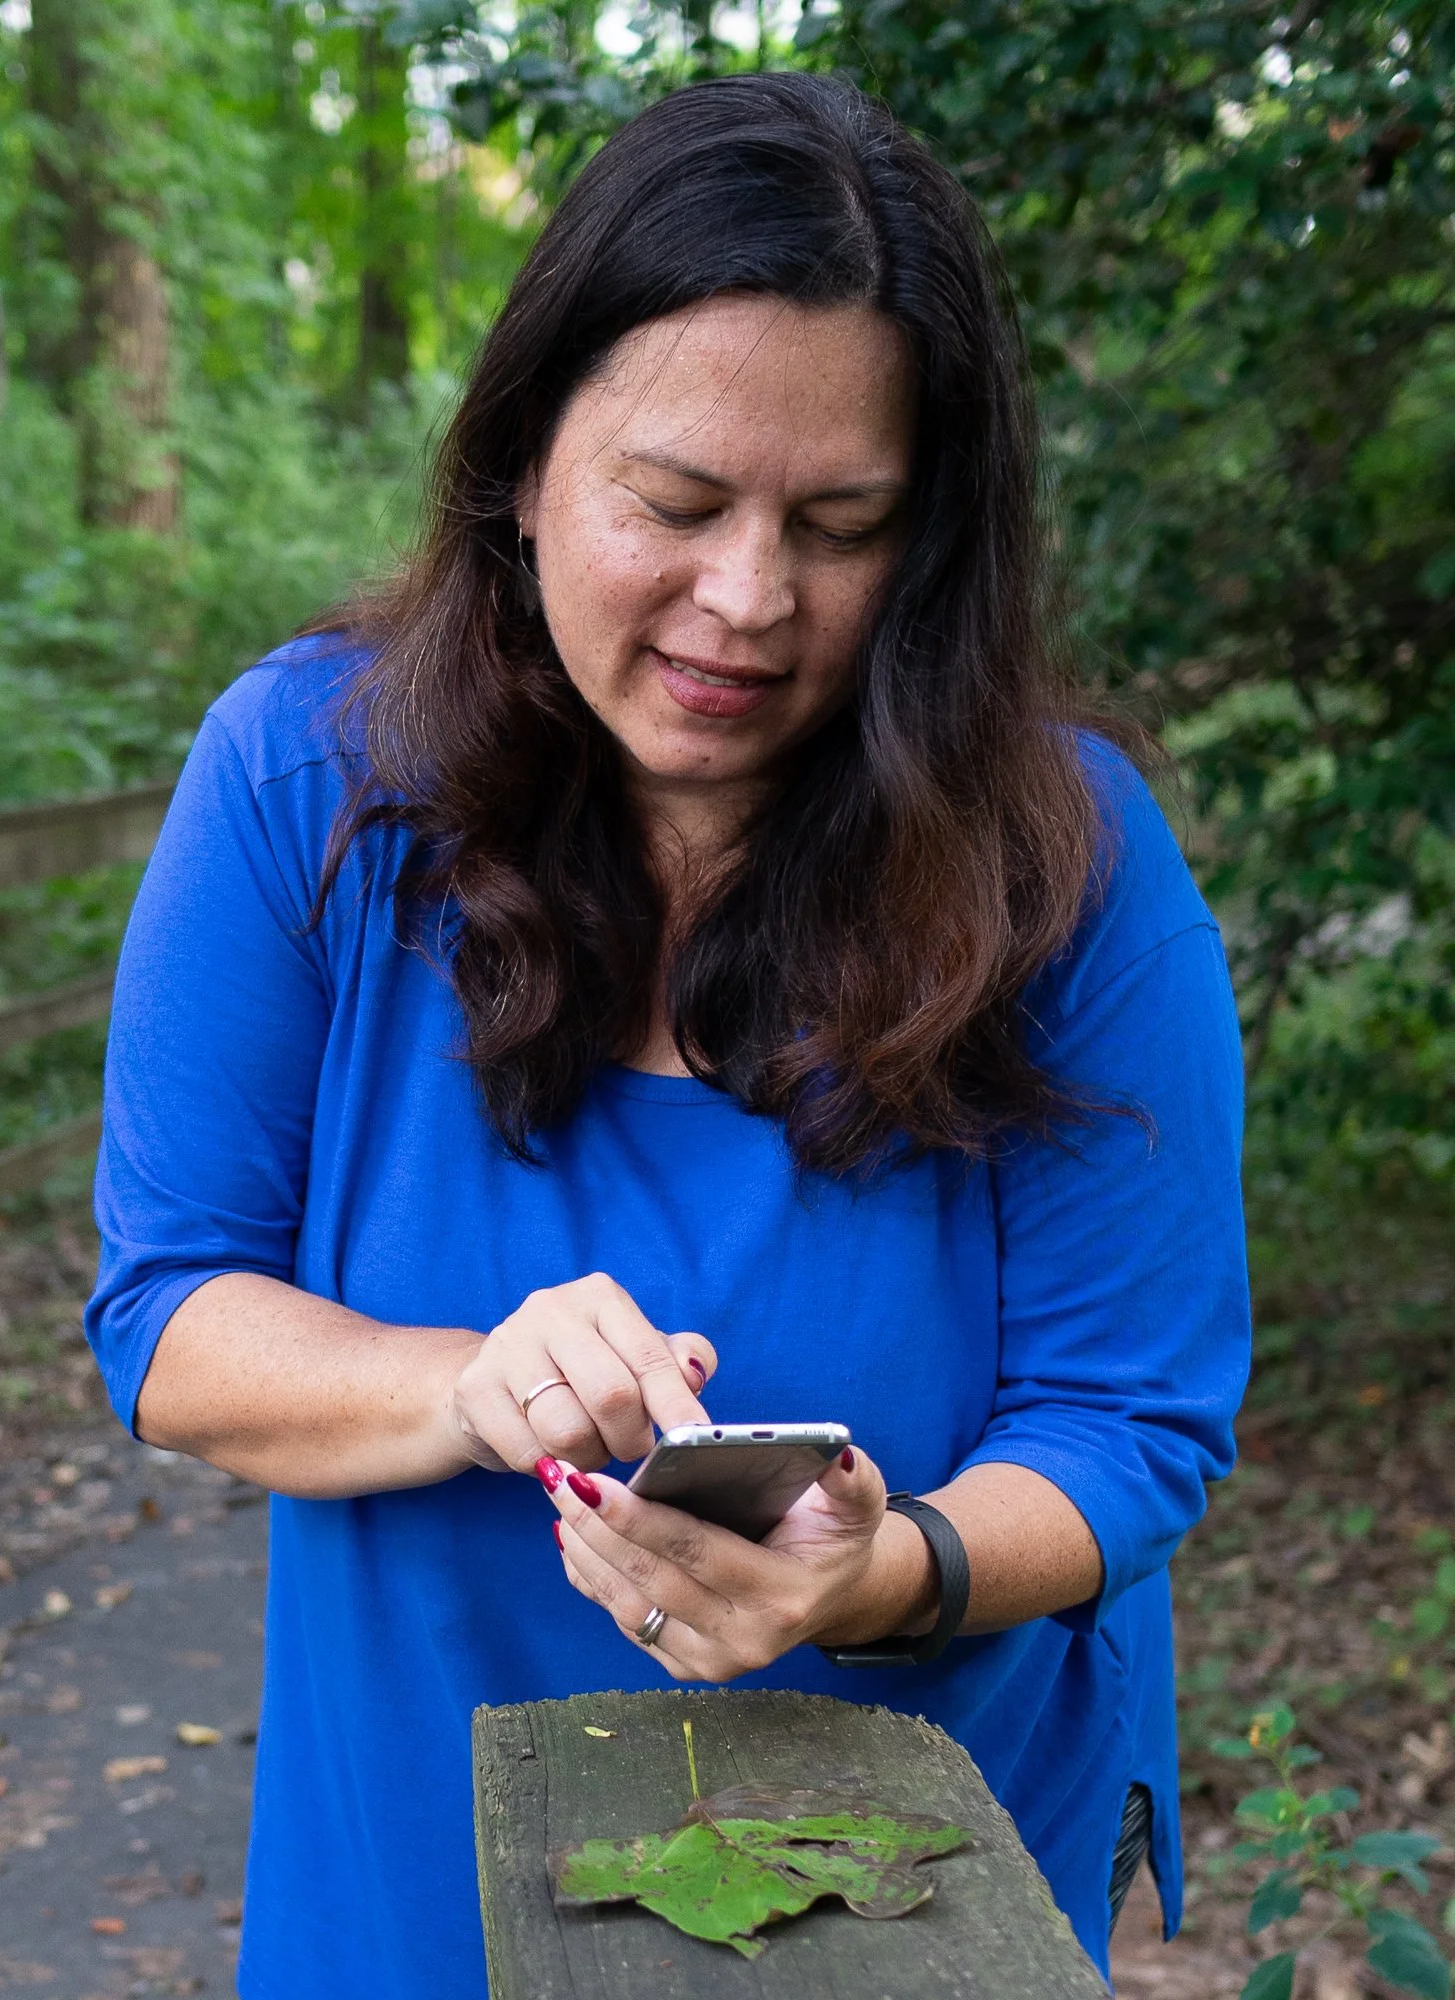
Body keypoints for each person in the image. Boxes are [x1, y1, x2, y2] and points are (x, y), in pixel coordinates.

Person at [85, 69, 1248, 1997]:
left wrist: (888, 1576)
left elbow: (1131, 1418)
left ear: (929, 540)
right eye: (677, 501)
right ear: (527, 463)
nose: (749, 600)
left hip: (922, 1884)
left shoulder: (1072, 864)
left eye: (842, 523)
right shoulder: (308, 777)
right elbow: (171, 1314)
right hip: (421, 1861)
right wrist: (468, 1387)